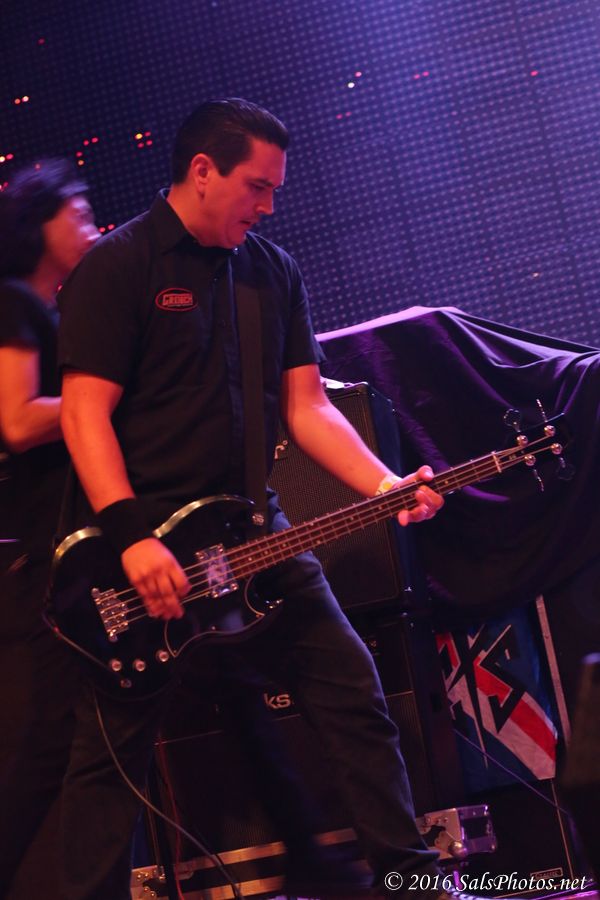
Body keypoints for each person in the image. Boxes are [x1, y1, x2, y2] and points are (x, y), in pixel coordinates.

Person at [55, 98, 470, 900]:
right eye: (258, 185)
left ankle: (408, 880)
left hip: (249, 528)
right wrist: (133, 537)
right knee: (111, 761)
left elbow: (306, 408)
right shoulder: (120, 264)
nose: (270, 205)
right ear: (201, 171)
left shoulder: (271, 272)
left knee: (351, 693)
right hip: (140, 545)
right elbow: (83, 414)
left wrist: (385, 486)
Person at [0, 159, 98, 898]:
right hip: (45, 561)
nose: (90, 226)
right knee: (41, 747)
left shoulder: (51, 311)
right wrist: (105, 398)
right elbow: (15, 420)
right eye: (78, 213)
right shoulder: (14, 304)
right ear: (39, 226)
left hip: (69, 552)